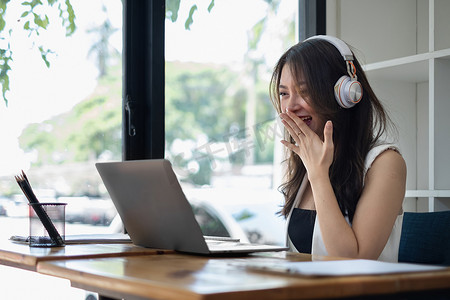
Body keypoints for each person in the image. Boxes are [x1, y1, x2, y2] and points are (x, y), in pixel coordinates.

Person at [269, 35, 406, 262]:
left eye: (304, 91)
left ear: (345, 94)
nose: (291, 107)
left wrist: (318, 174)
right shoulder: (306, 160)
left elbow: (352, 261)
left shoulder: (386, 163)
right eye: (284, 93)